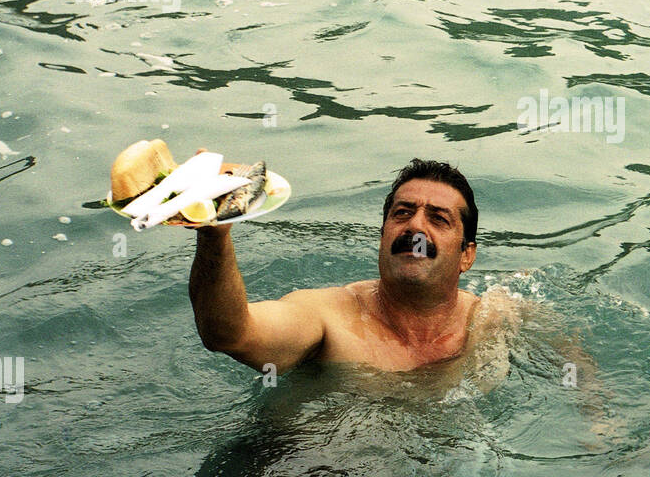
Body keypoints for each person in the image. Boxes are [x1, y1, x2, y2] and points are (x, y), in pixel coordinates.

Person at [189, 157, 514, 376]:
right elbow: (230, 335)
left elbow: (562, 360)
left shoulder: (491, 319)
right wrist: (214, 235)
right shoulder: (327, 317)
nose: (415, 227)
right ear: (382, 236)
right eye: (402, 213)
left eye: (438, 218)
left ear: (466, 255)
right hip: (301, 472)